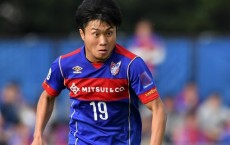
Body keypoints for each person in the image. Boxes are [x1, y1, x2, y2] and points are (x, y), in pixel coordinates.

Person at [31, 0, 166, 145]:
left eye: (109, 33)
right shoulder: (64, 65)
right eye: (96, 34)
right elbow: (47, 97)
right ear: (82, 34)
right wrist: (38, 134)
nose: (103, 41)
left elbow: (158, 109)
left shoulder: (132, 65)